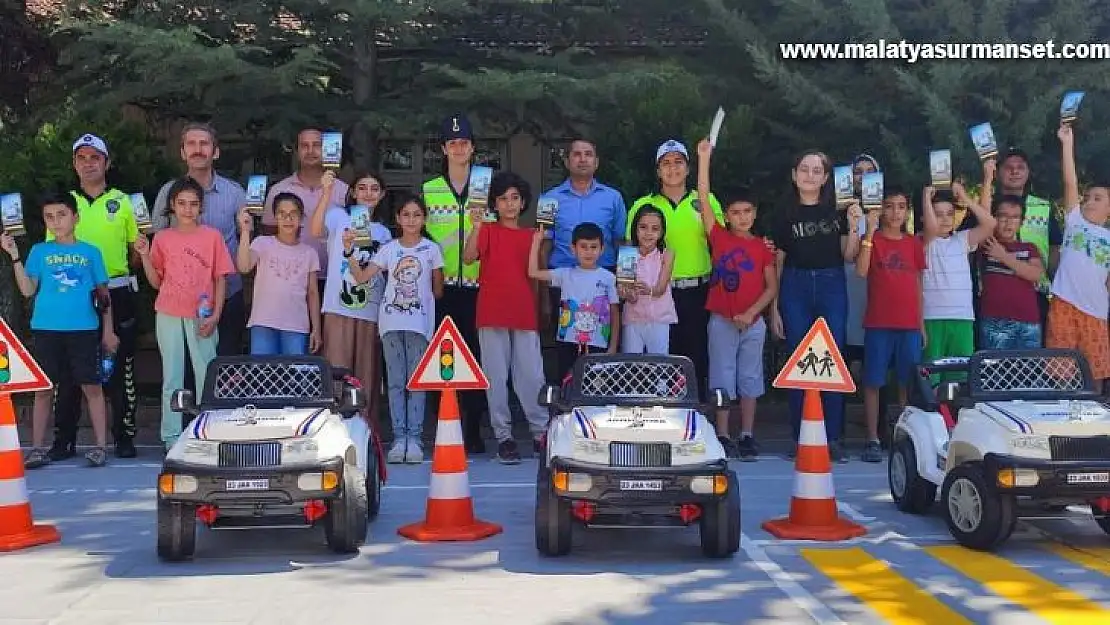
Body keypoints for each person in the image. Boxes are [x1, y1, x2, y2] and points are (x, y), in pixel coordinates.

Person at [3, 193, 117, 468]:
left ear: (75, 217)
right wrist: (14, 256)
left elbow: (104, 296)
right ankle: (38, 448)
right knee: (44, 388)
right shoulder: (40, 252)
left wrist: (108, 331)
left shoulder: (91, 252)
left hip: (84, 328)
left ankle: (100, 446)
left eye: (62, 215)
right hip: (46, 328)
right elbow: (28, 289)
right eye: (49, 217)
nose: (56, 222)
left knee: (92, 386)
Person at [51, 133, 141, 460]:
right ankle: (64, 440)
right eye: (82, 158)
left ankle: (124, 437)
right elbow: (53, 252)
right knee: (70, 369)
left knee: (120, 368)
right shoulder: (64, 206)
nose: (89, 164)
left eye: (95, 158)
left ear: (107, 162)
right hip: (74, 294)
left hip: (117, 292)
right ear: (74, 164)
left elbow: (135, 252)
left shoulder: (124, 202)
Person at [769, 151, 862, 462]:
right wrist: (775, 308)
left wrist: (854, 226)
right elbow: (778, 261)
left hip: (830, 283)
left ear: (825, 177)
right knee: (799, 360)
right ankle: (800, 437)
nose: (810, 175)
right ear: (795, 175)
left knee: (832, 358)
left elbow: (849, 256)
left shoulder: (838, 211)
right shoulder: (784, 213)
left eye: (817, 170)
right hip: (794, 285)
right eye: (804, 169)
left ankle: (832, 437)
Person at [136, 177, 236, 451]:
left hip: (202, 313)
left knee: (206, 372)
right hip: (168, 312)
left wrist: (216, 314)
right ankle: (171, 437)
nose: (187, 209)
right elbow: (156, 282)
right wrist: (145, 255)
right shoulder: (163, 238)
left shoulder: (212, 237)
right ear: (172, 205)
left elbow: (220, 278)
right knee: (172, 376)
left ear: (201, 207)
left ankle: (210, 430)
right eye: (182, 203)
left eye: (193, 204)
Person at [345, 196, 444, 463]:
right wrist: (349, 251)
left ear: (424, 219)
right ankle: (399, 439)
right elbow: (362, 277)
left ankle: (415, 438)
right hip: (390, 323)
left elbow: (437, 289)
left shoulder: (432, 250)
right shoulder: (388, 249)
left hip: (420, 325)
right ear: (398, 219)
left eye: (416, 215)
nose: (411, 220)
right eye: (406, 215)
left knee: (417, 382)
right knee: (396, 382)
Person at [696, 140, 777, 461]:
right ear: (726, 216)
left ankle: (747, 434)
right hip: (721, 319)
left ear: (755, 214)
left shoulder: (762, 247)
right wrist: (704, 159)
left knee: (750, 377)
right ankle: (723, 433)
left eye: (747, 212)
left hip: (753, 322)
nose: (742, 217)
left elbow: (771, 287)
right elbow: (702, 196)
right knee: (722, 375)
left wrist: (751, 313)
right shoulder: (719, 237)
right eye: (735, 213)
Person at [625, 139, 725, 399]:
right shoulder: (643, 205)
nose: (672, 169)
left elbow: (724, 243)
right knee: (659, 362)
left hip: (696, 291)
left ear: (689, 168)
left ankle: (696, 417)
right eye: (665, 163)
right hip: (654, 296)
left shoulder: (705, 200)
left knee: (695, 358)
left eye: (678, 162)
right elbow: (628, 252)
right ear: (658, 171)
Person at [462, 171, 549, 463]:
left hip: (524, 311)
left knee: (531, 374)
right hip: (492, 311)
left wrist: (542, 308)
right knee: (495, 377)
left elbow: (537, 276)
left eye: (515, 198)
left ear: (523, 202)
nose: (510, 204)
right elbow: (468, 257)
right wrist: (475, 227)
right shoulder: (486, 230)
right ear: (494, 204)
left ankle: (540, 432)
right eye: (503, 199)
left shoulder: (532, 235)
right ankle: (504, 437)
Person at [152, 122, 248, 357]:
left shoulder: (235, 193)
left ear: (215, 152)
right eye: (191, 144)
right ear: (183, 152)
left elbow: (245, 241)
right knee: (185, 370)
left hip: (227, 294)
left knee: (224, 369)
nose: (198, 149)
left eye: (204, 144)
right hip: (181, 301)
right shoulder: (168, 193)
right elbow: (159, 243)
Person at [423, 113, 488, 453]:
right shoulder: (429, 189)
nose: (459, 148)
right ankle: (442, 428)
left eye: (464, 143)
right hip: (440, 287)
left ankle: (475, 431)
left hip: (479, 287)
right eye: (453, 143)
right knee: (441, 358)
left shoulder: (487, 189)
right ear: (445, 149)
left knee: (476, 358)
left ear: (472, 148)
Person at [309, 169, 392, 429]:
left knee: (366, 375)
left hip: (370, 309)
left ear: (381, 195)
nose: (368, 193)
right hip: (338, 306)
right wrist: (325, 193)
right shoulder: (337, 216)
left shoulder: (384, 233)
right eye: (363, 187)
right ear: (353, 192)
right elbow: (314, 229)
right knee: (337, 372)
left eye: (374, 188)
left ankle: (366, 430)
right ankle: (333, 428)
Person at [856, 189, 926, 463]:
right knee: (874, 381)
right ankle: (872, 437)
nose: (896, 212)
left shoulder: (913, 243)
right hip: (879, 323)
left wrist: (921, 324)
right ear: (880, 209)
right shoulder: (873, 240)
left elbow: (919, 284)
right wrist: (869, 233)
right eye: (889, 206)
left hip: (908, 324)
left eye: (901, 206)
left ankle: (905, 435)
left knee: (907, 382)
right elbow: (861, 271)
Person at [540, 137, 628, 334]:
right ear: (567, 161)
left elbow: (621, 243)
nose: (582, 159)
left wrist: (623, 285)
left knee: (601, 346)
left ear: (596, 162)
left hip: (602, 282)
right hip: (562, 283)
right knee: (565, 348)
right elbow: (543, 247)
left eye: (588, 154)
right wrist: (544, 297)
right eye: (577, 154)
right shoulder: (548, 199)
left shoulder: (613, 198)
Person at [1047, 124, 1110, 389]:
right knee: (1061, 370)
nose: (1089, 202)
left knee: (1094, 372)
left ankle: (1094, 417)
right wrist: (1067, 144)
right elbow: (1070, 181)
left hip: (1096, 312)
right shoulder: (1074, 222)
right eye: (1087, 197)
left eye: (1098, 198)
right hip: (1064, 304)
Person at [920, 172, 996, 379]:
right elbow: (930, 229)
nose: (944, 219)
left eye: (949, 213)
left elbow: (990, 224)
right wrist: (926, 198)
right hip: (932, 317)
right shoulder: (923, 242)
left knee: (961, 377)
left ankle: (957, 413)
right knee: (932, 378)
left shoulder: (962, 240)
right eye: (937, 214)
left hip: (962, 317)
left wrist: (965, 198)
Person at [261, 127, 350, 291]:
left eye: (316, 145)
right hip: (290, 278)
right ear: (296, 151)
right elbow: (268, 235)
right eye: (304, 145)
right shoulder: (279, 190)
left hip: (336, 277)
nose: (310, 151)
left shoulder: (344, 191)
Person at [529, 222, 620, 381]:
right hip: (567, 343)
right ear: (573, 249)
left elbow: (614, 313)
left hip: (597, 343)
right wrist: (536, 242)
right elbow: (533, 272)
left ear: (602, 249)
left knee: (594, 386)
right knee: (567, 383)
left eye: (593, 247)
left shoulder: (608, 278)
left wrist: (612, 346)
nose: (588, 252)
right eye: (583, 246)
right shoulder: (564, 274)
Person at [236, 194, 322, 355]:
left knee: (295, 377)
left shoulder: (310, 252)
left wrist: (316, 329)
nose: (288, 219)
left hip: (296, 325)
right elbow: (244, 266)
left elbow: (312, 293)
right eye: (282, 214)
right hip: (263, 322)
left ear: (301, 217)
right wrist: (245, 231)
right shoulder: (262, 243)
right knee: (262, 376)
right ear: (275, 217)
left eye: (293, 214)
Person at [976, 196, 1045, 349]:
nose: (1009, 222)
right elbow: (983, 215)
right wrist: (987, 179)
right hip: (994, 321)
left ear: (1021, 222)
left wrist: (1003, 256)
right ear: (994, 218)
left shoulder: (1029, 248)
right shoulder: (987, 244)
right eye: (1003, 216)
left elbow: (1036, 274)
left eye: (1015, 217)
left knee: (1028, 371)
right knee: (994, 371)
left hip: (1028, 321)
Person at [618, 205, 676, 355]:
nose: (648, 233)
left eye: (655, 229)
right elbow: (625, 294)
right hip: (633, 319)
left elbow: (660, 289)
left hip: (659, 319)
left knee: (660, 365)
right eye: (643, 227)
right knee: (632, 365)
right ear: (635, 228)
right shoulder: (627, 255)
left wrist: (648, 290)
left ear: (662, 232)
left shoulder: (667, 254)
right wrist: (629, 294)